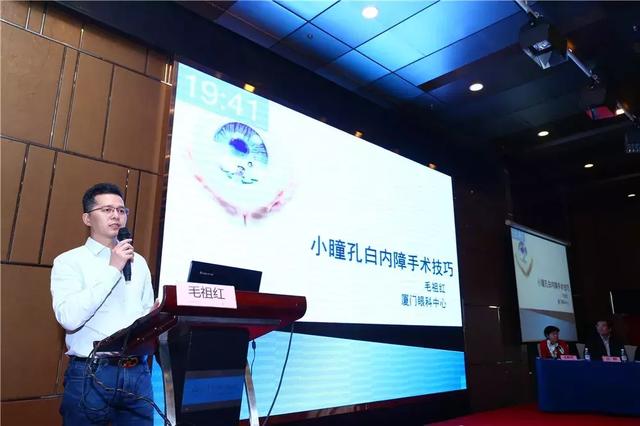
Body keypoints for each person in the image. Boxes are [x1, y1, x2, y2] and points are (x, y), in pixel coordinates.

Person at [50, 183, 155, 425]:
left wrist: (157, 314)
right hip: (91, 374)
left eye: (121, 210)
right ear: (87, 218)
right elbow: (69, 318)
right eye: (107, 210)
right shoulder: (69, 261)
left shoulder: (139, 262)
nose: (116, 215)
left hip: (137, 374)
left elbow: (143, 313)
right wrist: (113, 269)